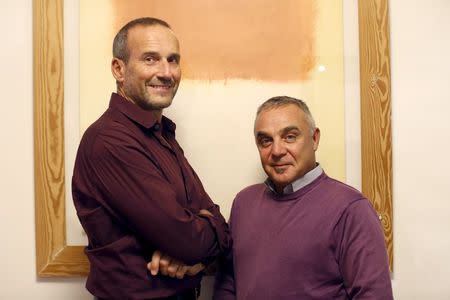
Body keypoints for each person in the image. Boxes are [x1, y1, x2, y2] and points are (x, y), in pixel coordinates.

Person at [72, 17, 231, 300]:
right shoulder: (110, 141)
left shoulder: (160, 133)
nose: (166, 72)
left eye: (173, 60)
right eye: (150, 59)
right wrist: (196, 242)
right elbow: (188, 240)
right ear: (118, 69)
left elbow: (208, 217)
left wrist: (196, 254)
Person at [214, 96, 393, 299]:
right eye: (266, 140)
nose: (277, 151)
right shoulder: (243, 203)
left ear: (314, 139)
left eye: (290, 136)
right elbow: (227, 282)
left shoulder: (351, 209)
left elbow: (374, 295)